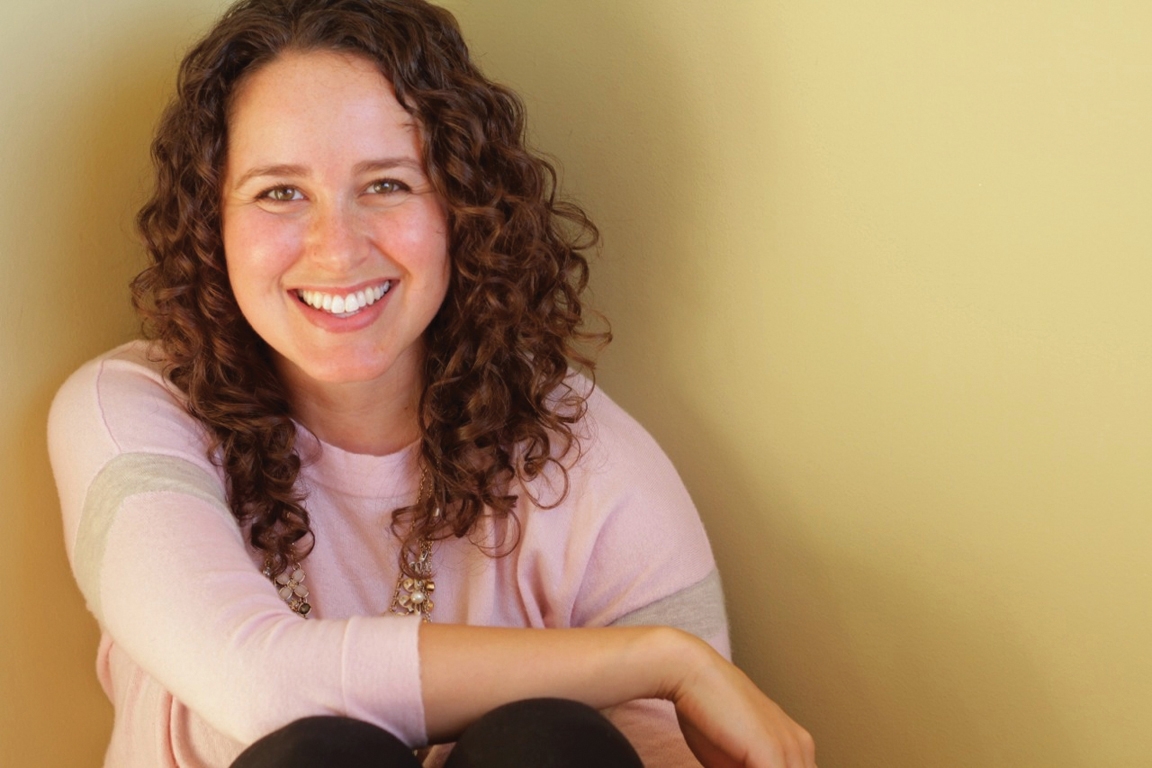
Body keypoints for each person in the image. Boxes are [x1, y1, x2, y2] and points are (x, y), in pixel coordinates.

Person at [48, 0, 816, 766]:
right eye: (279, 192)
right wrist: (664, 660)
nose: (337, 249)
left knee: (546, 744)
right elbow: (257, 681)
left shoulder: (591, 463)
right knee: (315, 756)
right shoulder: (131, 414)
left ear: (461, 208)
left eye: (387, 184)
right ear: (212, 222)